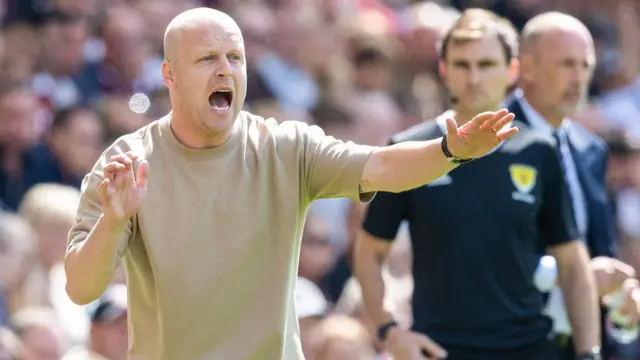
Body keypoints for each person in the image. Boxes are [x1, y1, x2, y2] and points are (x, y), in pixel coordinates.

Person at [63, 7, 517, 360]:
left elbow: (381, 167)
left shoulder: (285, 146)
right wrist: (113, 219)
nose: (225, 70)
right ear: (169, 75)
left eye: (235, 57)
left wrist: (451, 151)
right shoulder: (128, 162)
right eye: (207, 59)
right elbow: (82, 287)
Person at [355, 9, 601, 360]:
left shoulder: (538, 150)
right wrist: (388, 331)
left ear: (512, 70)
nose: (474, 77)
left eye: (486, 64)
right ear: (444, 70)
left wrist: (588, 352)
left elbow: (572, 260)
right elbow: (369, 251)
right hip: (438, 349)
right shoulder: (409, 149)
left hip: (529, 348)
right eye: (462, 65)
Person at [511, 11, 640, 359]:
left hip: (581, 346)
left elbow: (601, 252)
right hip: (510, 342)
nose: (578, 78)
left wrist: (622, 297)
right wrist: (568, 276)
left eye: (585, 65)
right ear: (527, 67)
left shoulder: (592, 149)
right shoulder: (493, 142)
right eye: (566, 64)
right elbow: (485, 256)